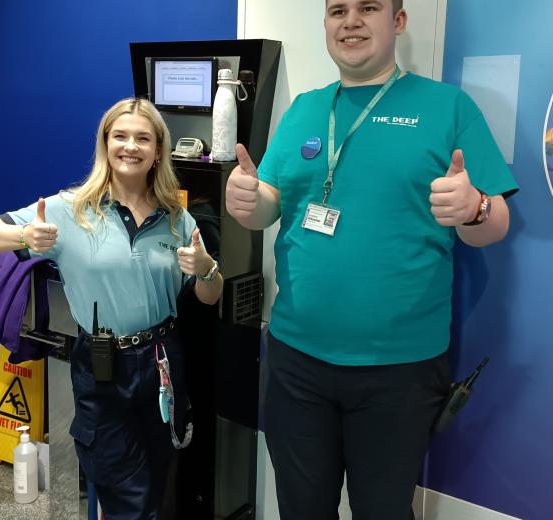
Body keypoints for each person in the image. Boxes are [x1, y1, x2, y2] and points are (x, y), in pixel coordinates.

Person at [225, 1, 518, 519]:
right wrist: (249, 203)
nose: (351, 21)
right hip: (296, 361)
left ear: (398, 22)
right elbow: (270, 203)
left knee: (383, 511)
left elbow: (494, 227)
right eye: (337, 10)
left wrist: (475, 207)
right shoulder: (305, 110)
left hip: (399, 370)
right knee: (301, 509)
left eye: (368, 8)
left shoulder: (447, 108)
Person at [0, 97, 223, 520]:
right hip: (104, 365)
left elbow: (209, 296)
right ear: (105, 144)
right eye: (120, 136)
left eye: (143, 138)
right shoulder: (72, 210)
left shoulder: (179, 219)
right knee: (128, 492)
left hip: (162, 363)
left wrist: (207, 269)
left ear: (158, 150)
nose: (131, 146)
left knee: (158, 480)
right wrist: (26, 237)